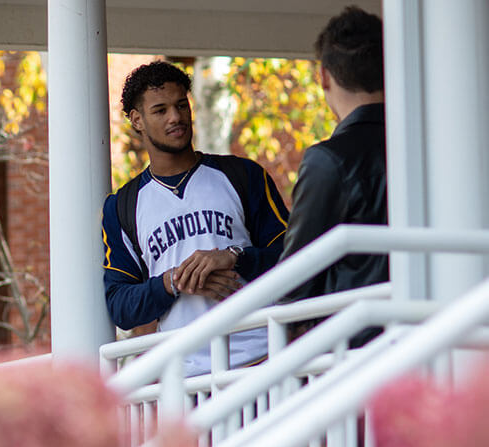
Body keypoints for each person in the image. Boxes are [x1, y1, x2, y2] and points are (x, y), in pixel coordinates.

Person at [102, 61, 290, 375]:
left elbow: (292, 256)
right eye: (160, 110)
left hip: (262, 360)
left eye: (180, 106)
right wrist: (173, 281)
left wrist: (233, 258)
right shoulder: (123, 205)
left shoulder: (243, 175)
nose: (175, 117)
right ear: (137, 120)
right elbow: (120, 305)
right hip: (187, 378)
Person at [280, 6, 387, 345]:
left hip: (357, 348)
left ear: (324, 76)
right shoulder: (433, 146)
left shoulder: (328, 160)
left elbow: (294, 282)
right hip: (435, 330)